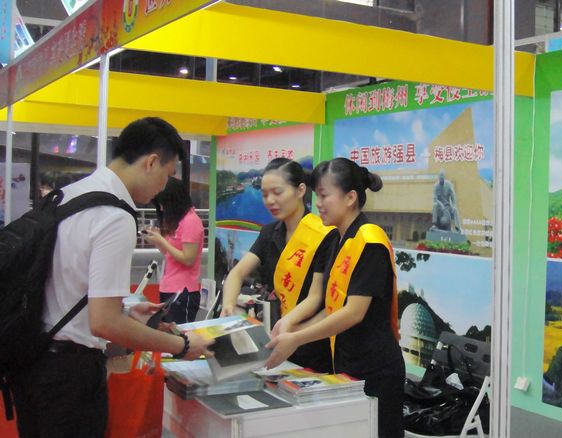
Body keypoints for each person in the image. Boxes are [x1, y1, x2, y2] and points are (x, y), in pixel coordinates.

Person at [9, 117, 213, 438]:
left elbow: (63, 281)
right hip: (69, 376)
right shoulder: (115, 216)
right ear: (151, 162)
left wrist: (127, 308)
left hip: (32, 358)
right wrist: (182, 344)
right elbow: (104, 323)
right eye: (168, 174)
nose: (164, 187)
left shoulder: (70, 195)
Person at [266, 157, 404, 438]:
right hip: (347, 366)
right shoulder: (338, 240)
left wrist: (297, 338)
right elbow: (332, 307)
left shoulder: (370, 242)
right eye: (317, 196)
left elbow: (353, 312)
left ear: (350, 198)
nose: (318, 203)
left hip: (376, 370)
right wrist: (290, 328)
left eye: (324, 195)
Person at [221, 158, 336, 372]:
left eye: (277, 192)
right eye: (265, 194)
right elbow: (237, 273)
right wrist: (228, 305)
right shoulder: (269, 233)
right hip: (276, 340)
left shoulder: (324, 235)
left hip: (311, 344)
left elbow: (317, 298)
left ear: (300, 190)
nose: (270, 201)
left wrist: (289, 329)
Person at [144, 177, 205, 324]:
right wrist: (157, 241)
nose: (162, 209)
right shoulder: (178, 221)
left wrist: (161, 241)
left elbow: (188, 259)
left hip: (183, 291)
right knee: (167, 332)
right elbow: (170, 255)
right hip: (169, 287)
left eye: (163, 204)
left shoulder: (191, 221)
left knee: (178, 333)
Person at [431, 168, 461, 232]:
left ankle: (458, 228)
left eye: (442, 175)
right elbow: (435, 199)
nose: (441, 177)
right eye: (440, 175)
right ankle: (434, 224)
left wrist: (454, 205)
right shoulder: (436, 186)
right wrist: (441, 205)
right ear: (438, 177)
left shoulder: (448, 185)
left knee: (455, 209)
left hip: (447, 207)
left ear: (444, 176)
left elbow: (453, 196)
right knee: (435, 205)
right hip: (439, 208)